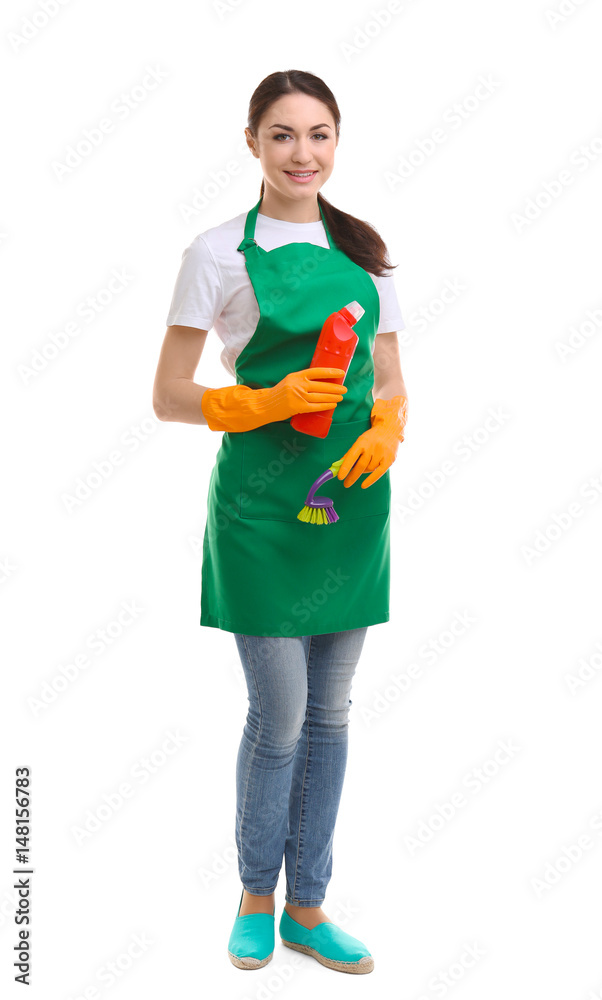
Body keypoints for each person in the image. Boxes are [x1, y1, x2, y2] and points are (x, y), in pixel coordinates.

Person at [153, 69, 408, 975]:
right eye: (284, 135)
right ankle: (257, 893)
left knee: (331, 715)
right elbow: (168, 395)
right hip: (261, 512)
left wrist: (389, 427)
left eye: (320, 134)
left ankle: (309, 906)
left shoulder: (365, 251)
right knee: (282, 716)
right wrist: (260, 402)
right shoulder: (216, 253)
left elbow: (390, 376)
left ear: (338, 140)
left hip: (347, 502)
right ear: (253, 141)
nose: (304, 153)